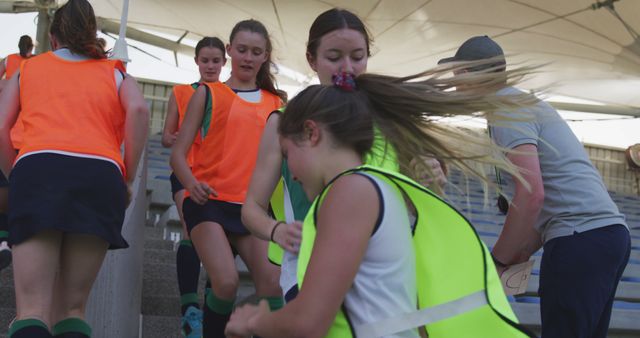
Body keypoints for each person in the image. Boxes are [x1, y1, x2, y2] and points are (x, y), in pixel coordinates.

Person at [226, 68, 538, 338]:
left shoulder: (349, 191)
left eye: (287, 153)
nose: (290, 174)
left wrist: (253, 319)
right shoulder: (372, 186)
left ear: (311, 132)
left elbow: (308, 323)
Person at [241, 8, 446, 304]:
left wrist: (430, 179)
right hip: (309, 269)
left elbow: (411, 201)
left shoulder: (390, 120)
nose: (347, 68)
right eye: (334, 57)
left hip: (384, 274)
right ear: (312, 60)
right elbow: (251, 209)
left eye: (358, 57)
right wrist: (277, 231)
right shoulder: (282, 123)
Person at [440, 35, 631, 338]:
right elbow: (540, 209)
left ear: (467, 72)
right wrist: (511, 261)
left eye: (456, 77)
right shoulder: (520, 104)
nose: (454, 87)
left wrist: (498, 260)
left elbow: (531, 196)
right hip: (607, 236)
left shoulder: (505, 108)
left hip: (579, 239)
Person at [0, 1, 149, 337]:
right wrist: (125, 177)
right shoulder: (114, 71)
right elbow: (139, 111)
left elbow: (0, 126)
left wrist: (15, 173)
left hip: (38, 168)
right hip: (100, 174)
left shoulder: (28, 68)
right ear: (92, 35)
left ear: (53, 38)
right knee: (72, 308)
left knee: (32, 308)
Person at [170, 19, 285, 337]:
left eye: (256, 52)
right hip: (209, 204)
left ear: (265, 56)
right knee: (226, 282)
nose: (248, 57)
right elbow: (178, 154)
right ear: (230, 50)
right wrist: (191, 184)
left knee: (273, 286)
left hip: (252, 211)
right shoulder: (207, 93)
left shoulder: (276, 104)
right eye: (243, 50)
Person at [161, 36, 226, 338]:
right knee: (189, 227)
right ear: (197, 61)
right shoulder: (181, 92)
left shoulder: (230, 95)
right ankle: (189, 311)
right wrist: (188, 136)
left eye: (216, 60)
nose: (210, 65)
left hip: (219, 174)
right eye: (205, 60)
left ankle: (213, 305)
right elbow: (166, 137)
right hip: (186, 170)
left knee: (222, 239)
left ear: (223, 63)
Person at [0, 35, 34, 270]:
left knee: (4, 193)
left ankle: (4, 240)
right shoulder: (36, 67)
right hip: (27, 142)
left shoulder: (8, 62)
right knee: (18, 194)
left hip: (8, 137)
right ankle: (11, 241)